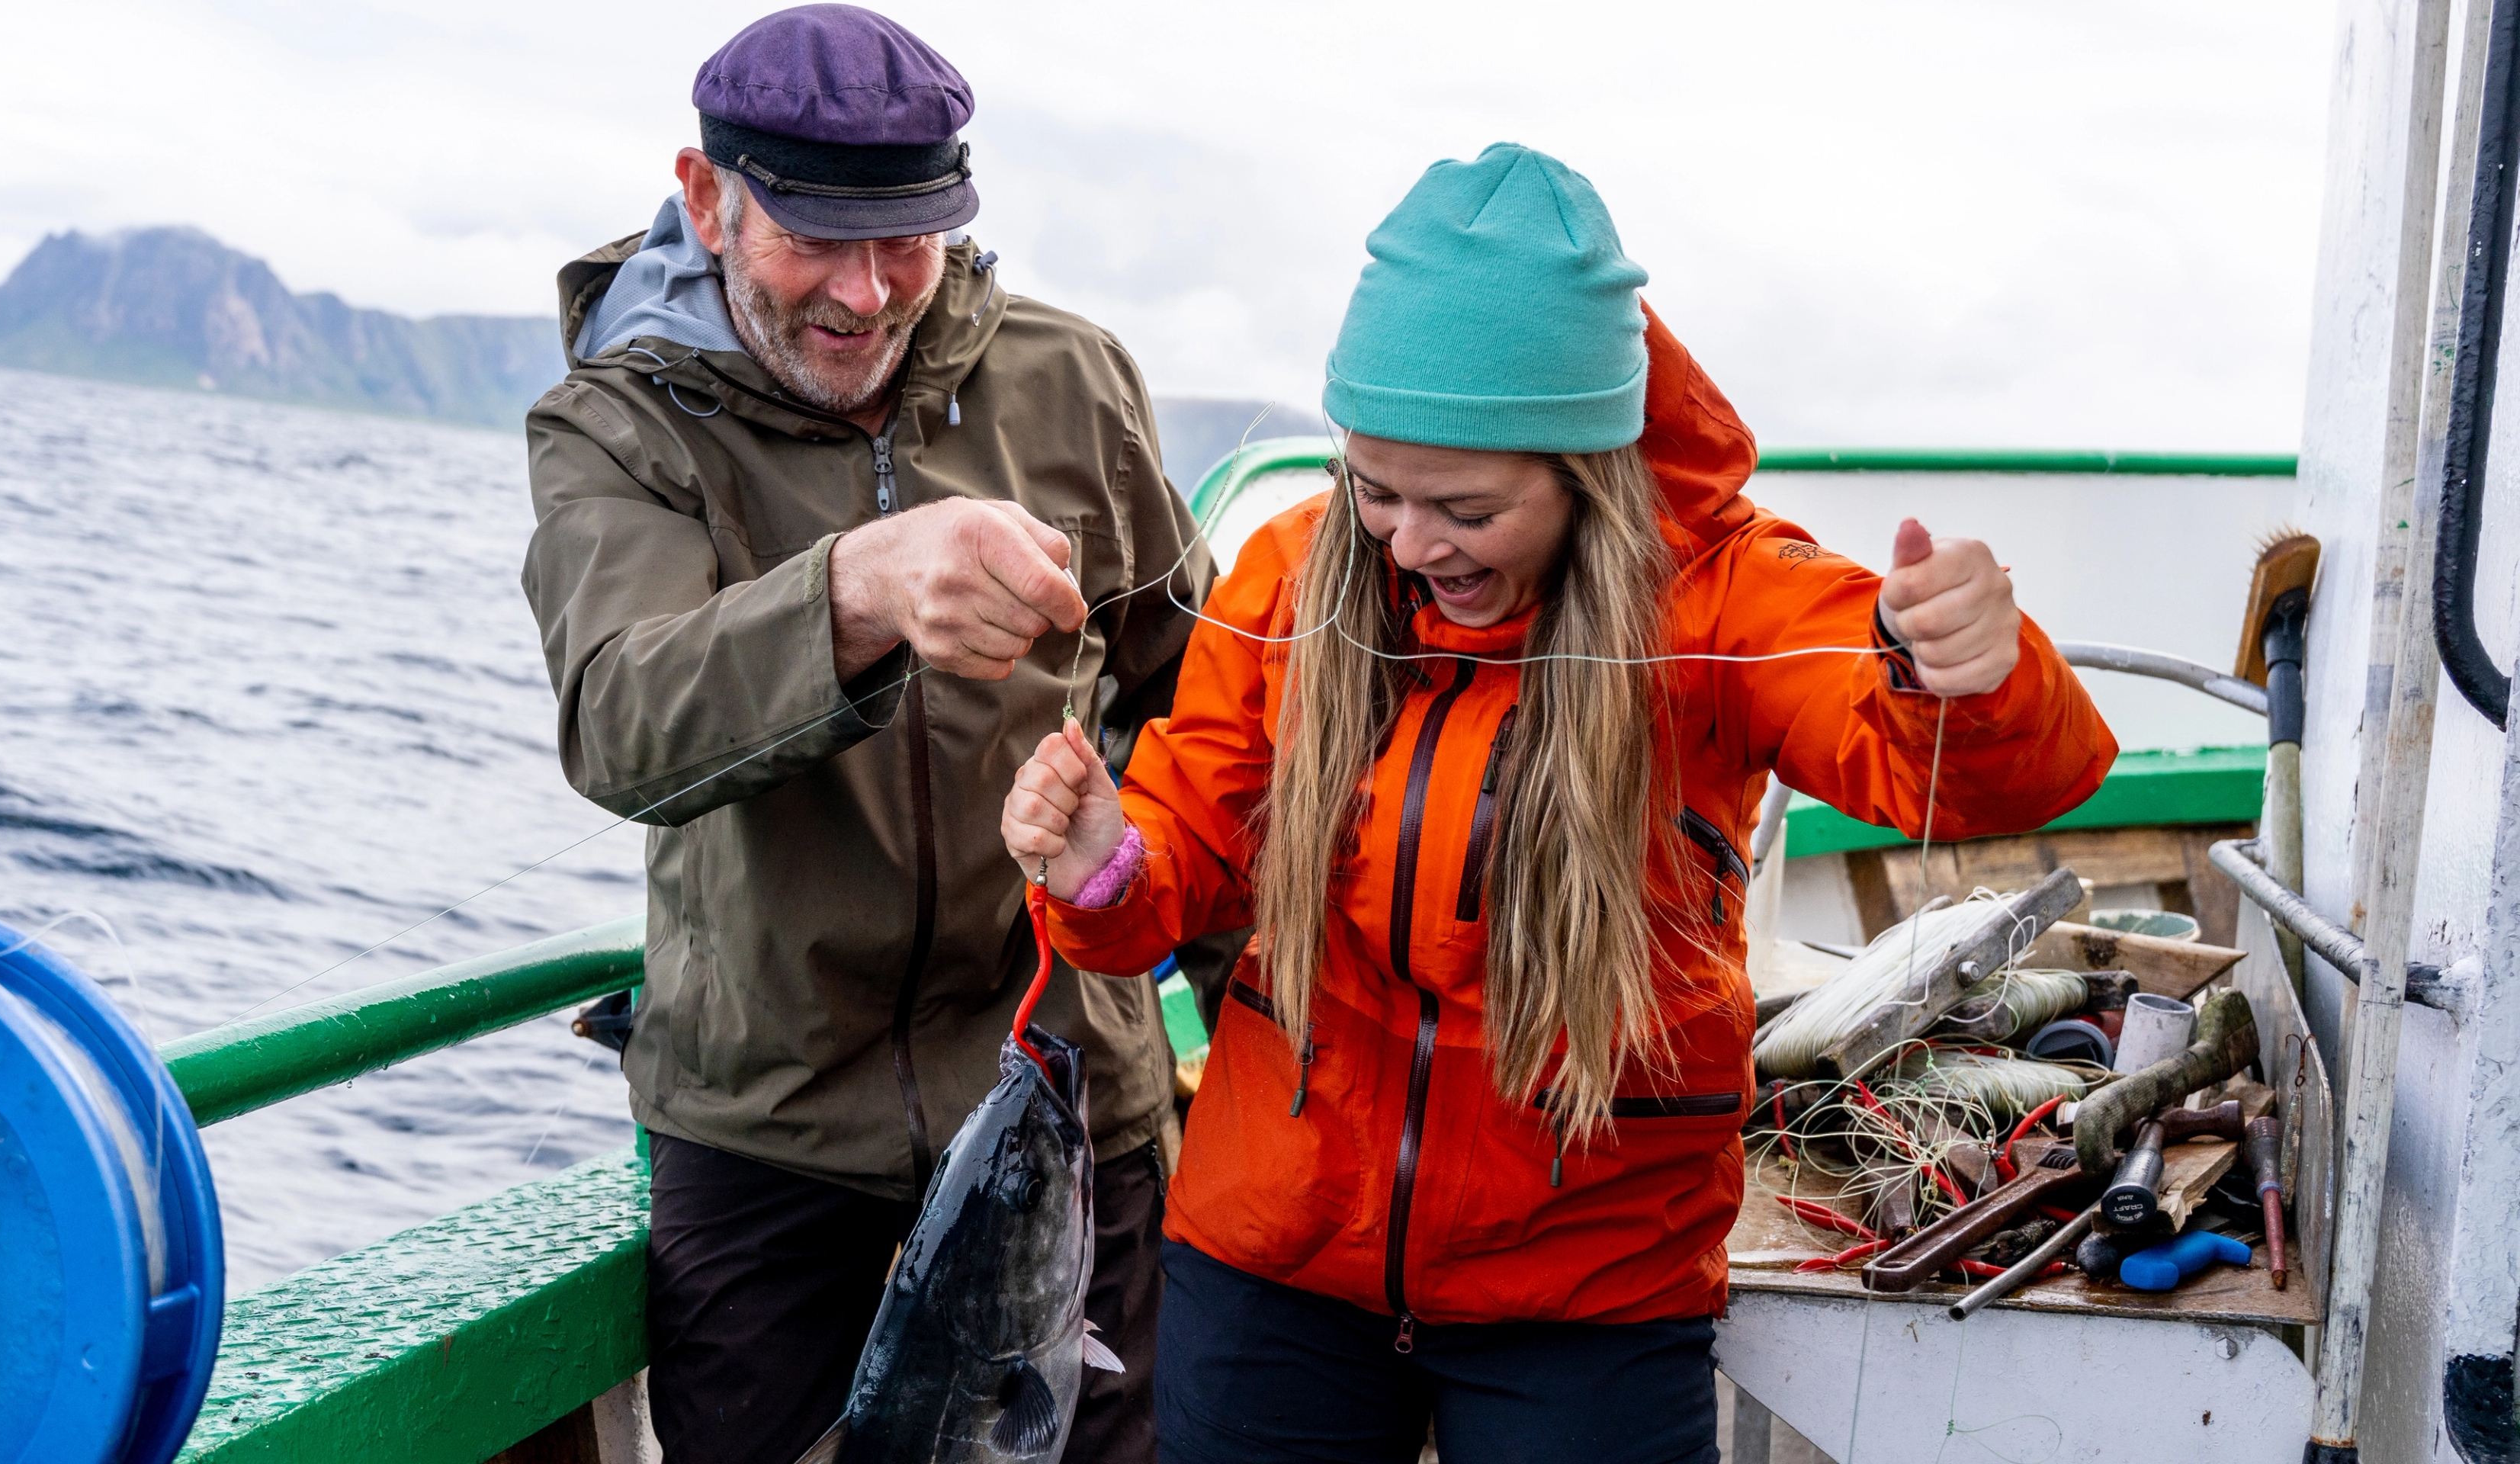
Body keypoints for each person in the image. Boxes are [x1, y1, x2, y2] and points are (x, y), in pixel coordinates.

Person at [1000, 144, 2118, 1463]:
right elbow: (1168, 876)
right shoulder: (1292, 578)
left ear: (1588, 470)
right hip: (1276, 1262)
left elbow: (1993, 771)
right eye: (1373, 488)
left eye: (1465, 507)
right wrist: (1096, 865)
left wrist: (1970, 675)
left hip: (1589, 1285)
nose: (1408, 544)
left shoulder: (1720, 601)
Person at [518, 7, 1209, 1462]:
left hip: (1071, 1115)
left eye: (909, 238)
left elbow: (1201, 709)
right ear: (705, 199)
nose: (866, 292)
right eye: (812, 238)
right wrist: (857, 588)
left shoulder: (1076, 382)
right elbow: (621, 722)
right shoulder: (617, 425)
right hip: (774, 1145)